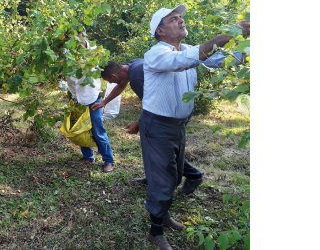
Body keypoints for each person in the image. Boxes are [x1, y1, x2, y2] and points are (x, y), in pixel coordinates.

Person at [137, 4, 249, 249]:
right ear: (160, 31)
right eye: (173, 19)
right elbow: (187, 59)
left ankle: (163, 215)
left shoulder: (186, 49)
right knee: (162, 180)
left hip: (177, 126)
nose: (180, 21)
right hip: (157, 126)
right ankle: (155, 231)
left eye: (180, 18)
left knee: (175, 175)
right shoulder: (156, 53)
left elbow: (218, 60)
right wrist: (228, 33)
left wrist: (242, 43)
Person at [95, 53, 243, 191]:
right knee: (152, 146)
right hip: (169, 109)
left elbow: (151, 104)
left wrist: (138, 124)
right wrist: (105, 102)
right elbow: (121, 85)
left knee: (163, 149)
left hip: (169, 111)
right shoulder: (131, 66)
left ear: (114, 75)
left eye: (110, 81)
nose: (112, 83)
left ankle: (193, 176)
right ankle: (153, 177)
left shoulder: (137, 77)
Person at [65, 31, 115, 173]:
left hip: (93, 99)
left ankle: (109, 161)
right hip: (76, 99)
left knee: (98, 130)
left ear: (82, 36)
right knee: (79, 129)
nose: (74, 40)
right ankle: (88, 157)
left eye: (78, 36)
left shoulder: (92, 50)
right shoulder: (65, 53)